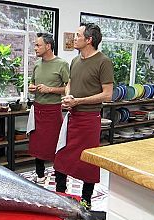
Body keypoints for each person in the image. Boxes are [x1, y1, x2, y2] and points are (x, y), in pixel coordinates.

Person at [54, 23, 114, 208]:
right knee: (61, 157)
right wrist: (68, 95)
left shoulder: (104, 62)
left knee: (88, 161)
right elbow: (70, 83)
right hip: (72, 118)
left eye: (78, 35)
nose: (74, 38)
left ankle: (86, 200)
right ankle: (60, 196)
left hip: (89, 120)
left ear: (89, 40)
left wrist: (78, 101)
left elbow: (107, 94)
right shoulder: (75, 61)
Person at [27, 33, 70, 184]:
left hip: (53, 111)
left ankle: (60, 178)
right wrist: (31, 88)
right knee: (37, 145)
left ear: (48, 46)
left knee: (55, 145)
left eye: (38, 45)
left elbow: (69, 88)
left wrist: (50, 89)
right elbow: (32, 83)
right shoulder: (37, 65)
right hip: (37, 110)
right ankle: (40, 175)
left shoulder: (62, 64)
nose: (35, 48)